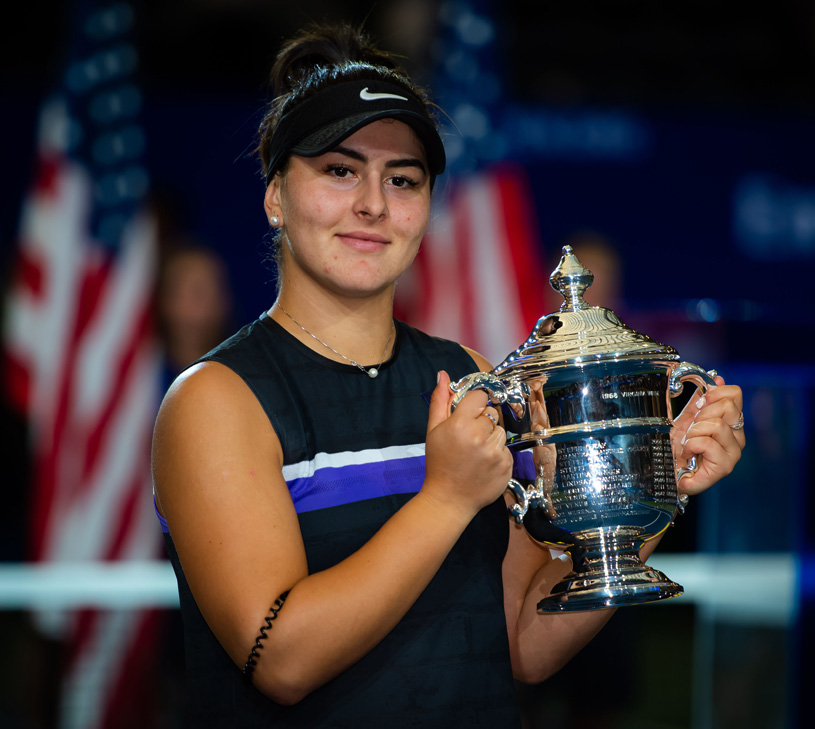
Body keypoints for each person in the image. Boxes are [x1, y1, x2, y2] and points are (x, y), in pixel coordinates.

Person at [150, 23, 745, 728]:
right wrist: (443, 499)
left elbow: (520, 639)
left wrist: (655, 483)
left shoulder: (461, 374)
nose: (373, 203)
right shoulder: (215, 398)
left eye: (402, 179)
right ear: (276, 194)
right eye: (340, 170)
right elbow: (281, 659)